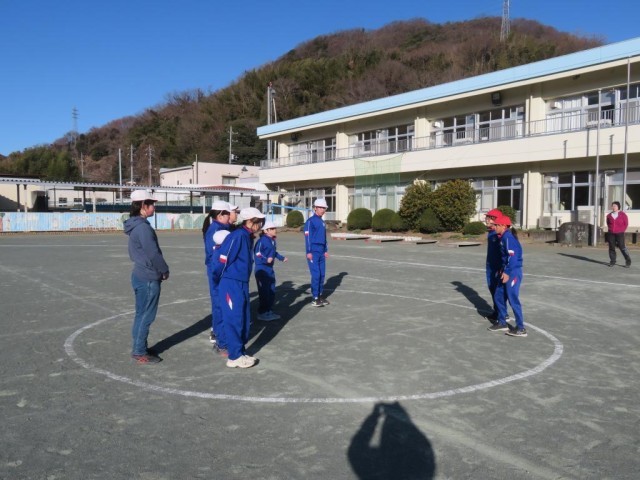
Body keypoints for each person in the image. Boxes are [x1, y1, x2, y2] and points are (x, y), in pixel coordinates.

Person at [214, 207, 265, 368]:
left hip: (241, 282)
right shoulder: (238, 236)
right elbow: (223, 259)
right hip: (231, 282)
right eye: (258, 221)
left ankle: (240, 352)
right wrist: (218, 279)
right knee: (234, 319)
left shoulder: (248, 236)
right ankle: (234, 356)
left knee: (243, 318)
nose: (261, 224)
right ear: (249, 221)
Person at [123, 189, 170, 364]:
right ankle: (139, 350)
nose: (153, 207)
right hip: (148, 276)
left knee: (141, 313)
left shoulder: (136, 225)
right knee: (146, 316)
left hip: (140, 274)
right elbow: (153, 253)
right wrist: (164, 270)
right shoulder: (142, 228)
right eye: (151, 204)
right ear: (143, 205)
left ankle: (139, 346)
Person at [488, 215, 527, 337]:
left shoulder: (508, 238)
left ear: (503, 226)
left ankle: (521, 328)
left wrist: (507, 272)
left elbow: (512, 257)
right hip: (505, 270)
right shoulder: (503, 237)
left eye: (496, 225)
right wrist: (502, 270)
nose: (494, 227)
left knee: (512, 298)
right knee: (498, 295)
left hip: (513, 272)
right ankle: (502, 322)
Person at [202, 200, 232, 346]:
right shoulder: (216, 230)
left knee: (220, 301)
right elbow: (215, 255)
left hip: (218, 270)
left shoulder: (220, 228)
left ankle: (218, 330)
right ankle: (218, 334)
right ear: (220, 215)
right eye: (228, 214)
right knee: (219, 302)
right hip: (217, 271)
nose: (230, 216)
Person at [254, 221, 288, 321]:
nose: (274, 230)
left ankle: (268, 311)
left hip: (269, 269)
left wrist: (281, 258)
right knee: (264, 291)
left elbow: (273, 252)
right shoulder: (261, 241)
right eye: (272, 229)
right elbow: (257, 253)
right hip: (262, 269)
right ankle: (262, 313)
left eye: (274, 228)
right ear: (265, 231)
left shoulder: (272, 240)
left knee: (271, 290)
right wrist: (265, 259)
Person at [304, 198, 330, 307]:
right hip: (313, 251)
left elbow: (324, 238)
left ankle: (320, 295)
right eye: (321, 208)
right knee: (316, 275)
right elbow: (307, 237)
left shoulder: (322, 222)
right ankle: (315, 298)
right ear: (315, 208)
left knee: (322, 274)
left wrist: (325, 250)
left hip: (321, 252)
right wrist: (309, 251)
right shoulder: (310, 221)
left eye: (324, 208)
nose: (323, 210)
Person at [483, 209, 506, 324]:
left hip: (497, 267)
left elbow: (504, 252)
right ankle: (497, 311)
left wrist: (502, 267)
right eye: (487, 217)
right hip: (490, 266)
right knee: (492, 288)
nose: (487, 220)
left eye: (490, 218)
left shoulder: (499, 234)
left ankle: (503, 314)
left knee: (498, 291)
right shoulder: (491, 232)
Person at [606, 201, 631, 268]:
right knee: (611, 247)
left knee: (622, 247)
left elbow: (626, 224)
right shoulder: (609, 216)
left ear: (618, 207)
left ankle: (628, 260)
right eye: (613, 206)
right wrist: (610, 230)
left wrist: (622, 230)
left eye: (615, 206)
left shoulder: (623, 215)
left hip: (620, 233)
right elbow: (608, 223)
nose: (613, 207)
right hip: (611, 233)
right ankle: (612, 261)